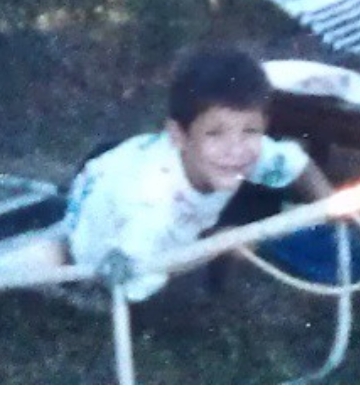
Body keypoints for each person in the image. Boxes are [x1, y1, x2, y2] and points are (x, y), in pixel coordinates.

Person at [65, 46, 331, 302]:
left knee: (262, 192)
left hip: (135, 163)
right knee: (69, 264)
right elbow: (138, 279)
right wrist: (217, 245)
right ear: (179, 135)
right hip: (103, 232)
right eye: (215, 134)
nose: (236, 149)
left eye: (250, 131)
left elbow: (298, 165)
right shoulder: (149, 210)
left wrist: (332, 207)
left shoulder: (238, 152)